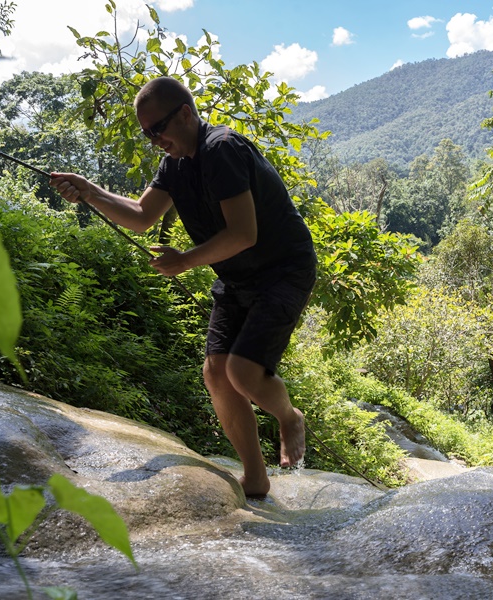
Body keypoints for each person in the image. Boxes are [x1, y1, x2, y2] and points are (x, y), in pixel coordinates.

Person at [49, 76, 317, 498]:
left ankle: (289, 417)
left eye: (159, 129)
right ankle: (256, 478)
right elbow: (140, 215)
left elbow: (244, 233)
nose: (155, 140)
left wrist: (184, 261)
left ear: (187, 113)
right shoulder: (175, 163)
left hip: (283, 270)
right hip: (236, 276)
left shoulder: (222, 149)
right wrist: (90, 191)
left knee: (243, 372)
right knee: (216, 373)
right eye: (147, 133)